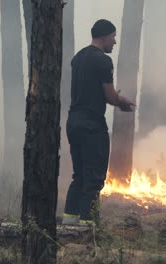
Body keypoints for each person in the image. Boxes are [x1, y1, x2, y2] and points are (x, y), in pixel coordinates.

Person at [62, 19, 134, 225]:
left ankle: (69, 223)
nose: (114, 42)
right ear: (104, 37)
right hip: (92, 126)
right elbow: (110, 96)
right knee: (94, 179)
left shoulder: (79, 58)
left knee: (79, 176)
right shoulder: (102, 61)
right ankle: (88, 227)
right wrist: (122, 102)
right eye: (113, 37)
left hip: (74, 123)